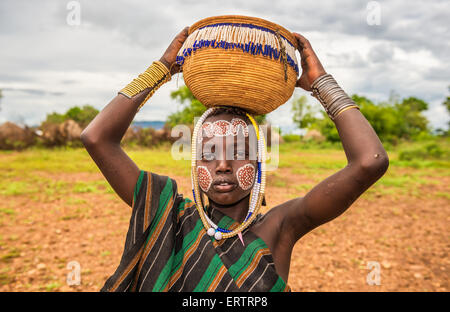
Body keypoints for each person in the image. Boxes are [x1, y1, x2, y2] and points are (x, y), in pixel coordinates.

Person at [81, 26, 389, 292]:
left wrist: (322, 83)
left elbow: (369, 161)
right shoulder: (169, 214)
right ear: (194, 163)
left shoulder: (280, 227)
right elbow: (96, 138)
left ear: (258, 162)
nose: (223, 165)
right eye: (209, 153)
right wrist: (161, 69)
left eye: (239, 152)